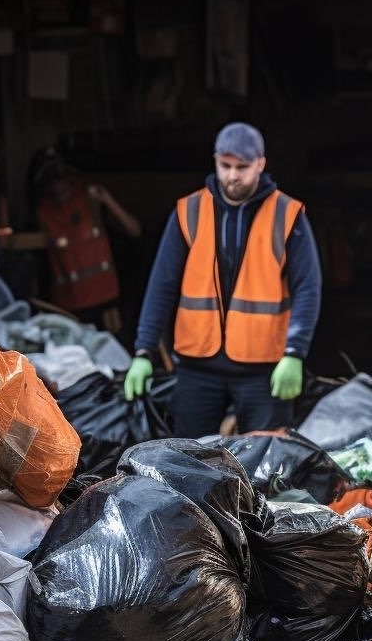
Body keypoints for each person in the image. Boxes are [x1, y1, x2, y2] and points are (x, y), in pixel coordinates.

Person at [122, 123, 320, 437]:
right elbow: (161, 285)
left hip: (263, 369)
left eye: (242, 167)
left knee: (268, 468)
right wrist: (144, 351)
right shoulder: (189, 211)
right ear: (215, 161)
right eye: (225, 166)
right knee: (189, 464)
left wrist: (295, 353)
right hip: (197, 368)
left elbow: (307, 288)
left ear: (261, 164)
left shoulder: (287, 214)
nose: (232, 176)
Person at [31, 149, 141, 331]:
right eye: (50, 177)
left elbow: (134, 230)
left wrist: (107, 200)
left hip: (106, 301)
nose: (57, 182)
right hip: (69, 306)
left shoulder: (90, 199)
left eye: (61, 174)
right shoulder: (42, 212)